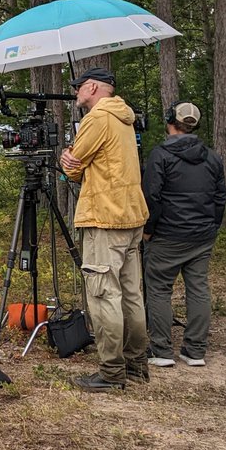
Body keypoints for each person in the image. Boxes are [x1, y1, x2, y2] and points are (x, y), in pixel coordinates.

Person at [59, 66, 150, 392]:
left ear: (94, 87)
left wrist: (65, 160)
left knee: (102, 294)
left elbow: (73, 163)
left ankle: (112, 372)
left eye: (79, 87)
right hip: (130, 215)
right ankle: (136, 363)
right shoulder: (125, 117)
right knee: (130, 294)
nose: (75, 93)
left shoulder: (97, 118)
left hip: (104, 217)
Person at [142, 102, 226, 368]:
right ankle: (195, 351)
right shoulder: (212, 157)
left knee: (158, 290)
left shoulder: (160, 155)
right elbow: (220, 197)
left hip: (168, 234)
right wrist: (212, 226)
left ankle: (161, 350)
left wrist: (148, 230)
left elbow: (151, 197)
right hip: (201, 235)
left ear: (170, 120)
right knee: (198, 289)